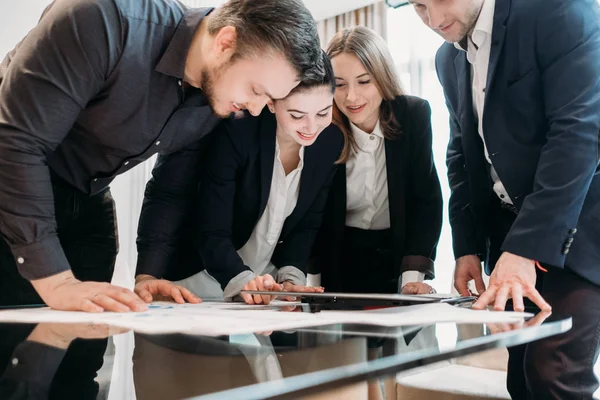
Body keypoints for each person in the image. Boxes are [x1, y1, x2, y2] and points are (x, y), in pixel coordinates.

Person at [0, 0, 324, 312]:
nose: (255, 109)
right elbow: (17, 143)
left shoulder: (219, 98)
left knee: (84, 354)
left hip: (89, 195)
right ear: (225, 42)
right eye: (256, 90)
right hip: (12, 188)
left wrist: (148, 275)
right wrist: (57, 282)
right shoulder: (103, 19)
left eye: (269, 99)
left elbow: (170, 188)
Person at [408, 0, 600, 397]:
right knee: (521, 378)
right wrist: (468, 247)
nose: (433, 20)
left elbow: (578, 134)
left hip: (580, 230)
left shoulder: (561, 11)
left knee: (553, 370)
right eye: (418, 5)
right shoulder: (448, 59)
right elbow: (462, 155)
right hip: (510, 237)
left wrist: (528, 247)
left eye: (439, 0)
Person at [135, 51, 343, 305]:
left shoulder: (330, 142)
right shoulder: (239, 132)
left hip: (265, 285)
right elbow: (211, 226)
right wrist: (239, 277)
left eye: (323, 113)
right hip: (199, 278)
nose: (312, 128)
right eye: (297, 115)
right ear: (271, 103)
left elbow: (307, 223)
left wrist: (291, 278)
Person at [309, 27, 443, 295]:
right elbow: (313, 211)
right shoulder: (322, 128)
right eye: (340, 84)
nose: (352, 97)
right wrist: (311, 281)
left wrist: (412, 276)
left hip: (397, 255)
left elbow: (426, 201)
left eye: (364, 81)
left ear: (382, 78)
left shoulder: (413, 116)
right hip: (338, 257)